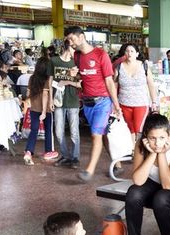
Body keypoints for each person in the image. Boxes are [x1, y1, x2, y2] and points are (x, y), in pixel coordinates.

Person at [65, 26, 121, 182]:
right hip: (87, 102)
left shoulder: (100, 55)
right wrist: (75, 76)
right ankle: (118, 162)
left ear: (81, 37)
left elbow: (109, 81)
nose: (70, 43)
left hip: (103, 102)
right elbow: (81, 79)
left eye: (72, 39)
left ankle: (89, 171)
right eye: (68, 40)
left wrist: (116, 105)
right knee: (102, 136)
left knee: (95, 135)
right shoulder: (77, 56)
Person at [116, 43, 158, 149]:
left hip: (141, 103)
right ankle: (133, 149)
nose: (129, 53)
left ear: (137, 54)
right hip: (124, 103)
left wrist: (154, 102)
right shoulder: (119, 66)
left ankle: (139, 149)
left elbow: (151, 84)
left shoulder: (144, 65)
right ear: (124, 53)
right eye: (127, 51)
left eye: (132, 51)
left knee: (138, 128)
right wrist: (114, 103)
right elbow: (114, 85)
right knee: (129, 128)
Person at [49, 39, 82, 168]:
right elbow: (50, 80)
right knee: (58, 131)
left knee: (74, 131)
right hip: (58, 100)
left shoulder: (77, 62)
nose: (76, 52)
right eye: (74, 48)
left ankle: (75, 157)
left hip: (73, 99)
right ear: (68, 47)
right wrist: (50, 99)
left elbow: (81, 83)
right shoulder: (54, 61)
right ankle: (65, 155)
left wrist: (67, 82)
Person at [23, 58, 57, 165]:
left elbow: (28, 93)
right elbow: (45, 95)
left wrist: (30, 101)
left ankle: (28, 152)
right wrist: (43, 112)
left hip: (34, 109)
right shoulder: (47, 79)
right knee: (48, 130)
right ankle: (48, 151)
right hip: (45, 110)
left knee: (34, 130)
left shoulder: (32, 78)